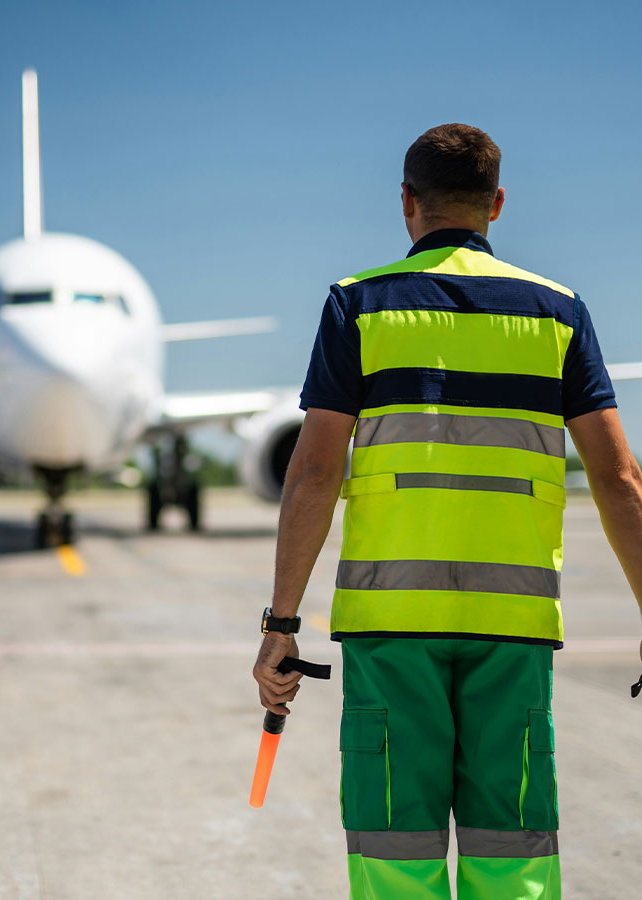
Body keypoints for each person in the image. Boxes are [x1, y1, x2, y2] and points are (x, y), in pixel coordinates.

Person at [252, 123, 642, 900]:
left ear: (407, 202)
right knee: (514, 846)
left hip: (390, 625)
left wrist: (281, 627)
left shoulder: (357, 307)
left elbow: (315, 471)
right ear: (496, 204)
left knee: (396, 845)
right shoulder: (558, 313)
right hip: (514, 627)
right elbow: (618, 477)